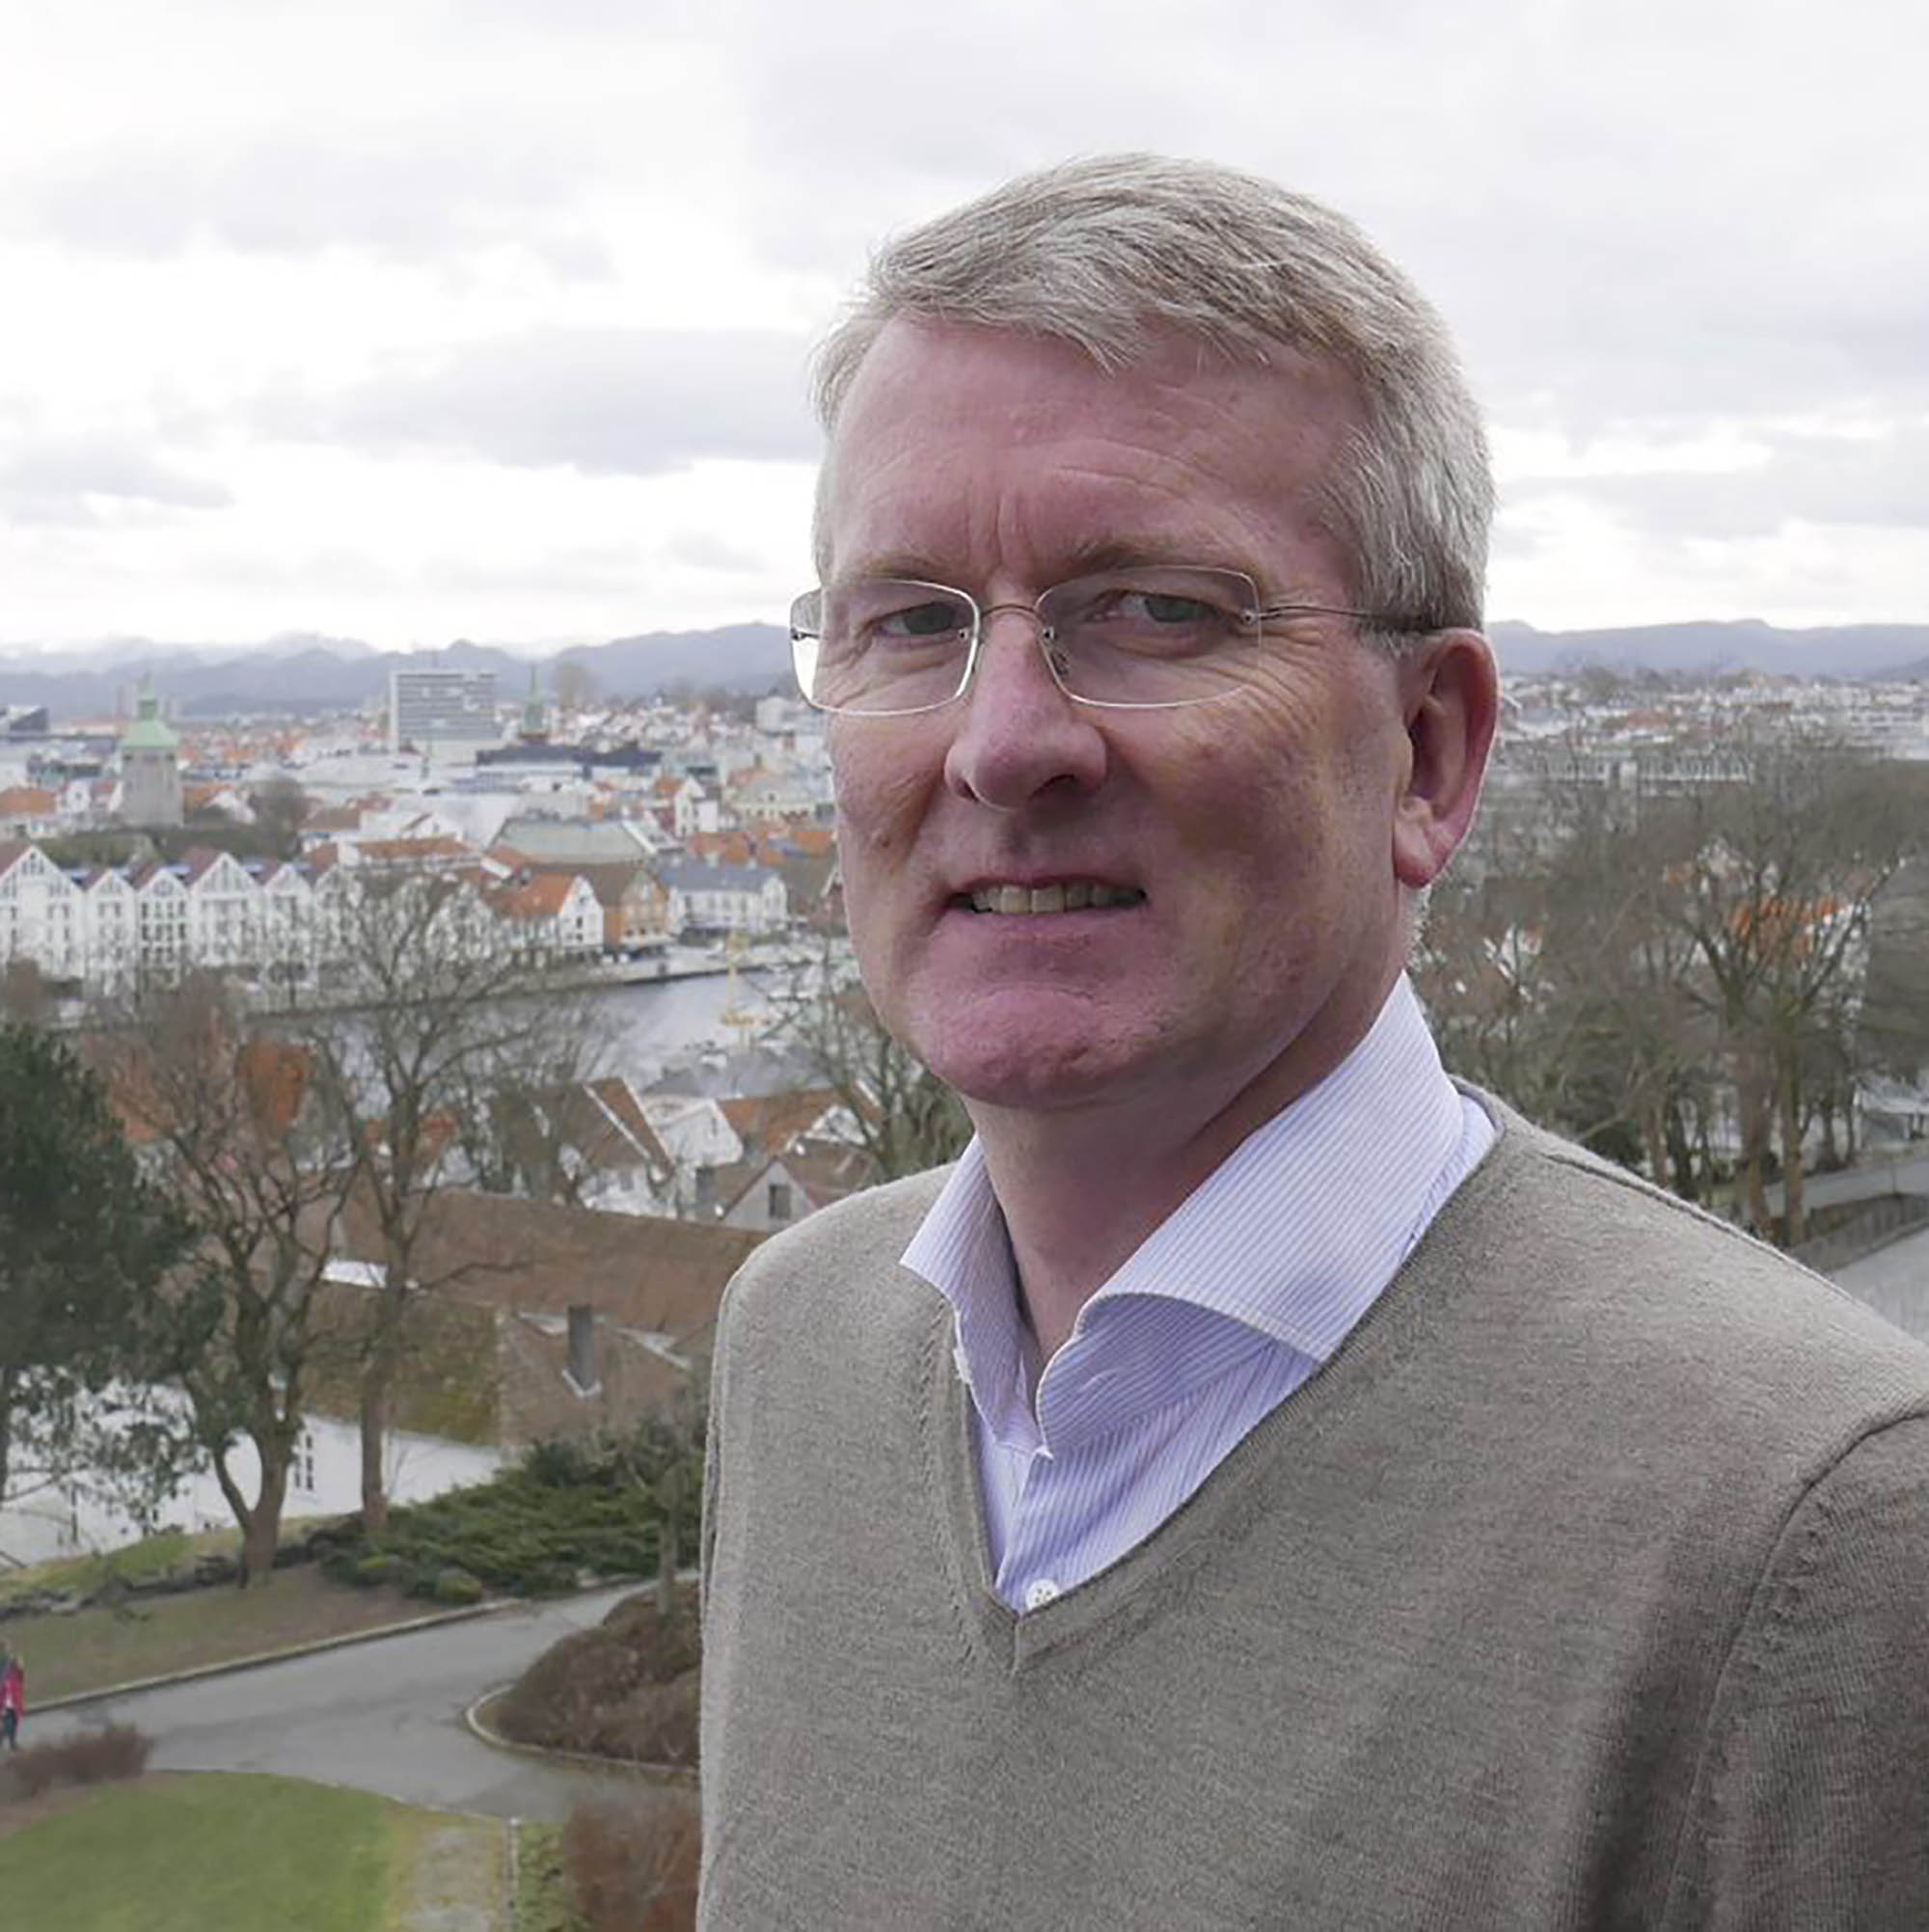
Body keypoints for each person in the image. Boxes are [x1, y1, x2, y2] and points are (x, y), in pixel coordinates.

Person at [697, 154, 1929, 1928]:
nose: (1002, 742)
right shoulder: (796, 1341)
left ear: (1429, 751)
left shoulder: (1817, 1539)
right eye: (907, 622)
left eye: (1157, 609)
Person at [1, 1648, 24, 1752]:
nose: (21, 1664)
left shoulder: (18, 1675)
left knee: (14, 1725)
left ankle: (13, 1744)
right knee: (7, 1726)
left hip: (14, 1705)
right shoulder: (7, 1675)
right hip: (5, 1705)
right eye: (19, 1662)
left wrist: (20, 1705)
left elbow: (19, 1690)